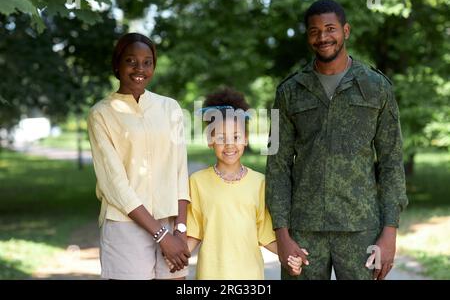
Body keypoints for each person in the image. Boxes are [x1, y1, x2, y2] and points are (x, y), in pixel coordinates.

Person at [265, 0, 408, 280]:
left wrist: (390, 231)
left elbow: (391, 161)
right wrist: (281, 234)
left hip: (361, 228)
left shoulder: (377, 87)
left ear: (346, 31)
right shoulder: (288, 92)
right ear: (308, 37)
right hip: (304, 229)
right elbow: (278, 165)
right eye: (314, 31)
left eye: (330, 28)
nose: (323, 37)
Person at [165, 88, 302, 279]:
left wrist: (289, 256)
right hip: (211, 275)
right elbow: (195, 232)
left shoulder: (259, 182)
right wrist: (176, 255)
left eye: (236, 137)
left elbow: (265, 234)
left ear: (245, 139)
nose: (229, 144)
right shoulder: (197, 182)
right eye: (221, 137)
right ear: (210, 140)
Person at [87, 32, 190, 280]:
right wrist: (161, 236)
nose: (139, 68)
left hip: (171, 223)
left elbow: (180, 171)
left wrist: (180, 231)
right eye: (131, 61)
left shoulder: (170, 108)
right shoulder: (101, 114)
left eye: (147, 62)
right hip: (125, 226)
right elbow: (115, 184)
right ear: (117, 64)